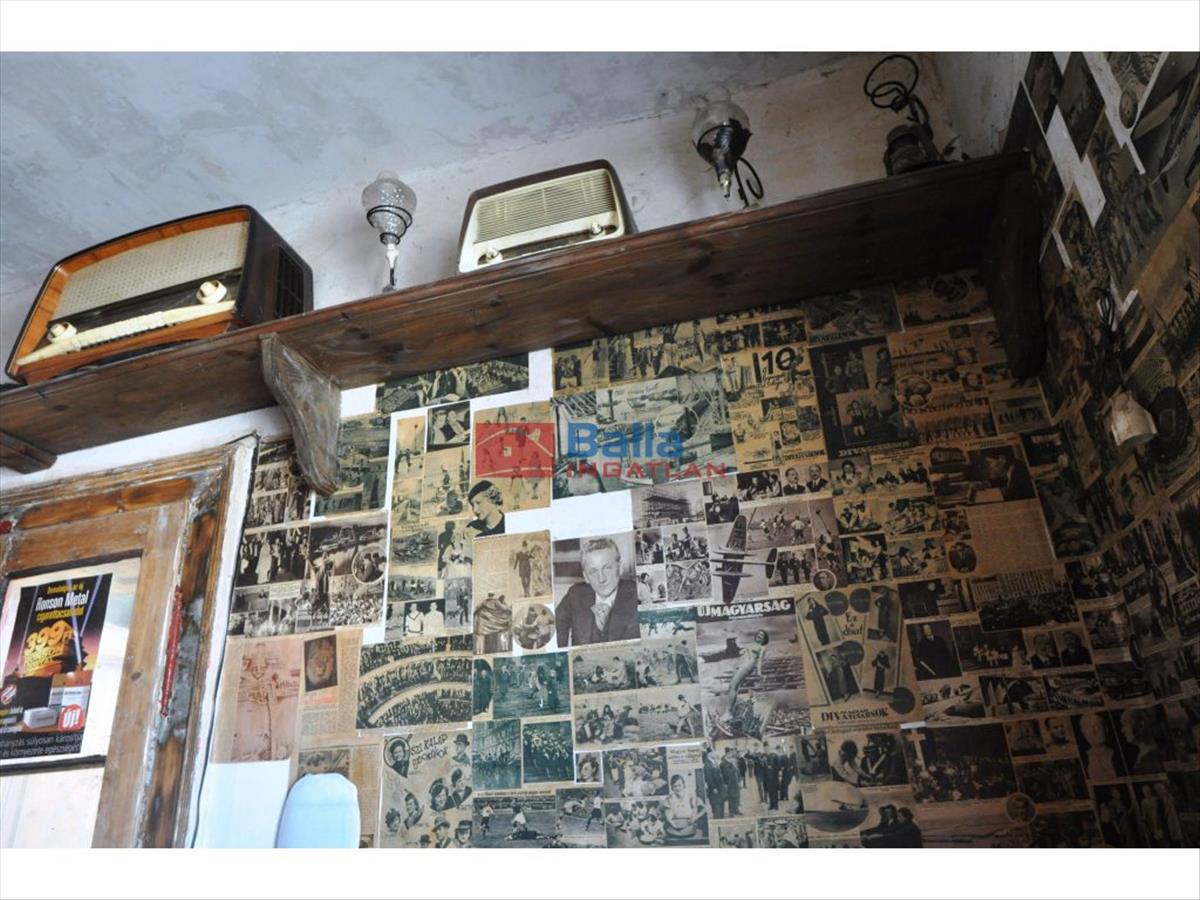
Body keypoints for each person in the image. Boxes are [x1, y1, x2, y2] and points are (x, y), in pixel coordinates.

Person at [555, 537, 640, 645]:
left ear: (620, 568)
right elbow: (555, 624)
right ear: (586, 576)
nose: (601, 579)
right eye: (593, 571)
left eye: (607, 568)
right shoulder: (575, 595)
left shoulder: (637, 594)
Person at [664, 774, 704, 841]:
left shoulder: (690, 796)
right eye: (675, 786)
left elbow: (704, 809)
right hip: (674, 827)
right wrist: (674, 825)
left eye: (679, 785)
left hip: (688, 826)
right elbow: (667, 814)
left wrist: (695, 818)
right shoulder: (669, 799)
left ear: (684, 785)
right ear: (672, 787)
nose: (677, 788)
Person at [720, 747, 741, 816]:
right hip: (729, 783)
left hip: (735, 782)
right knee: (731, 797)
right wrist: (724, 784)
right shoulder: (723, 763)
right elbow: (722, 775)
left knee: (736, 796)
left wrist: (739, 781)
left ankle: (736, 810)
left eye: (731, 753)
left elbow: (737, 772)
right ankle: (731, 812)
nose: (731, 754)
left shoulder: (734, 761)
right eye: (729, 753)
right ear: (726, 754)